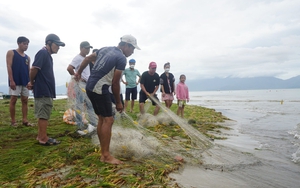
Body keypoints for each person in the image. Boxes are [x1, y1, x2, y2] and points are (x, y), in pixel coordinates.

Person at [74, 34, 140, 164]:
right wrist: (119, 102)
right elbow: (115, 83)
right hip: (100, 88)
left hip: (90, 86)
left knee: (102, 119)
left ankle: (103, 151)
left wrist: (79, 72)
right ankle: (106, 155)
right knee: (108, 120)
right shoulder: (121, 58)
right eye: (132, 49)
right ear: (126, 45)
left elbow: (87, 58)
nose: (132, 52)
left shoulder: (105, 49)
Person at [27, 34, 65, 145]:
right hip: (43, 90)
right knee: (43, 115)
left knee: (43, 114)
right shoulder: (43, 53)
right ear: (49, 43)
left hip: (45, 89)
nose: (58, 47)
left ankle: (41, 136)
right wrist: (32, 82)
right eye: (57, 44)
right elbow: (33, 69)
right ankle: (43, 138)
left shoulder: (47, 55)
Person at [67, 41, 97, 130]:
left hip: (87, 84)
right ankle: (80, 125)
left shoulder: (86, 58)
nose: (88, 50)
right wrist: (77, 77)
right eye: (86, 48)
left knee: (89, 104)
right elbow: (69, 68)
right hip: (81, 85)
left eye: (89, 48)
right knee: (79, 104)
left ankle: (93, 124)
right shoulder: (78, 58)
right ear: (81, 48)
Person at [6, 36, 33, 127]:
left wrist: (30, 82)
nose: (26, 46)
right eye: (24, 44)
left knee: (25, 100)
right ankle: (13, 121)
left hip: (25, 81)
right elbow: (9, 66)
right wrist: (11, 80)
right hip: (15, 81)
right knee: (13, 100)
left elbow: (29, 70)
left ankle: (25, 120)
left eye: (27, 44)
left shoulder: (27, 57)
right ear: (19, 43)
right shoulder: (11, 53)